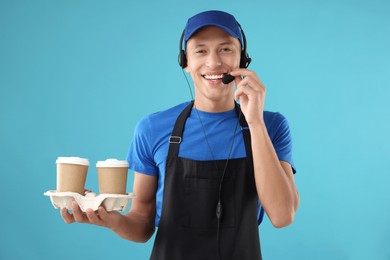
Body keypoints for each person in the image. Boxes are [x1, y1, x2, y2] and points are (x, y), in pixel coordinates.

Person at [60, 10, 300, 260]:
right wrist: (110, 220)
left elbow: (283, 216)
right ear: (185, 62)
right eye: (200, 51)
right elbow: (142, 223)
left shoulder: (271, 126)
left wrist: (255, 123)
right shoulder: (152, 129)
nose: (214, 62)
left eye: (226, 49)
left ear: (243, 59)